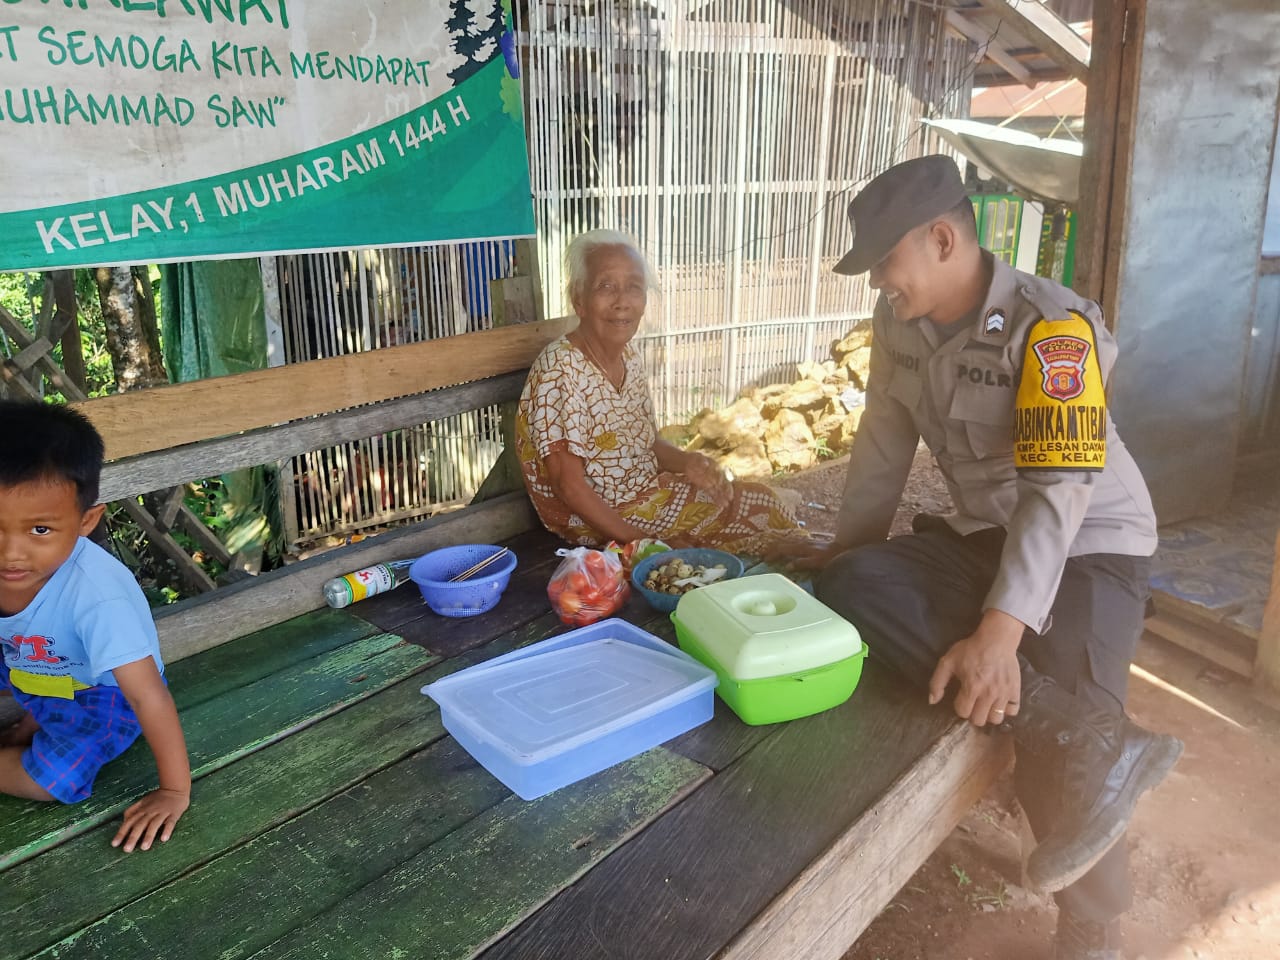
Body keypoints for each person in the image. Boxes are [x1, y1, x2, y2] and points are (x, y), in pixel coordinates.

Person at [811, 156, 1182, 960]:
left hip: (1093, 544)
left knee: (1055, 702)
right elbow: (881, 450)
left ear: (943, 238)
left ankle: (1091, 928)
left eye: (885, 261)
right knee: (845, 584)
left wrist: (1002, 634)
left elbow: (1058, 496)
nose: (879, 281)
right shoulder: (897, 326)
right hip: (990, 537)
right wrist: (841, 558)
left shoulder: (1054, 331)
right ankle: (1082, 728)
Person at [516, 229, 807, 556]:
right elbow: (567, 485)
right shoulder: (560, 369)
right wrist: (646, 544)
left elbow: (645, 441)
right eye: (606, 286)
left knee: (761, 504)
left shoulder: (628, 357)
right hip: (597, 521)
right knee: (721, 549)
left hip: (648, 498)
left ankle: (804, 575)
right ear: (579, 299)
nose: (622, 301)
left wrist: (687, 461)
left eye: (634, 287)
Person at [0, 400, 190, 853]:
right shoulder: (15, 562)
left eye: (40, 530)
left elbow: (147, 695)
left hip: (101, 696)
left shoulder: (97, 598)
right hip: (29, 666)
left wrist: (174, 791)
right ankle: (34, 717)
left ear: (86, 521)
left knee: (54, 780)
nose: (11, 554)